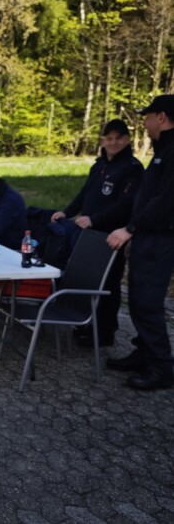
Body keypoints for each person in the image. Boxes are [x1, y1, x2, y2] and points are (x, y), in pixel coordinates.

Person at [50, 119, 144, 348]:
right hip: (89, 234)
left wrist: (94, 219)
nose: (113, 143)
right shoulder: (99, 166)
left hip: (112, 235)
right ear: (103, 140)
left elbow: (126, 203)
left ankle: (104, 332)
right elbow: (85, 194)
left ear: (126, 140)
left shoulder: (132, 168)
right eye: (108, 138)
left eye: (118, 138)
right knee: (87, 279)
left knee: (107, 284)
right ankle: (86, 324)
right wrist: (68, 211)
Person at [106, 95, 174, 391]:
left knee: (147, 302)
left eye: (147, 117)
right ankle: (144, 353)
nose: (144, 123)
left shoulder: (173, 151)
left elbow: (166, 201)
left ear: (162, 117)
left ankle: (161, 368)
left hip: (160, 238)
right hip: (148, 236)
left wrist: (130, 228)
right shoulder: (163, 150)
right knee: (135, 297)